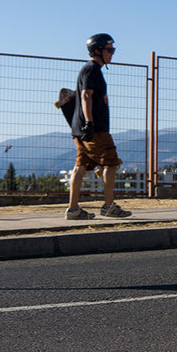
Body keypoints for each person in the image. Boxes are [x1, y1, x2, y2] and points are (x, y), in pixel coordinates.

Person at [65, 33, 132, 220]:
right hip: (94, 130)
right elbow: (86, 95)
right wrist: (90, 123)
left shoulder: (91, 70)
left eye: (113, 50)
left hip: (79, 129)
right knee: (111, 163)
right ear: (97, 51)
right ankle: (109, 206)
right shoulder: (92, 69)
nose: (112, 53)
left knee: (80, 166)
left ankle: (73, 210)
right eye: (109, 50)